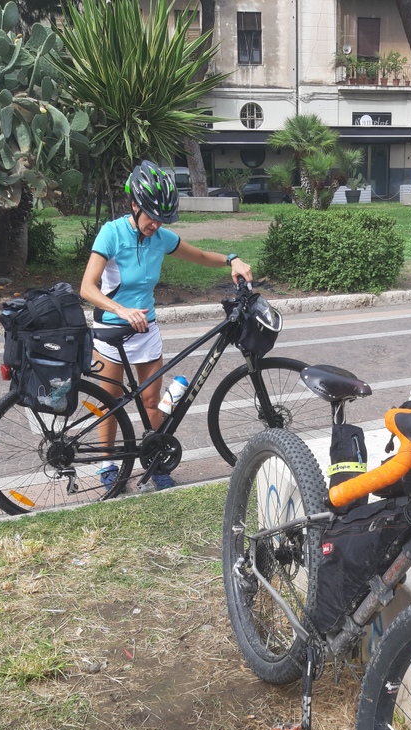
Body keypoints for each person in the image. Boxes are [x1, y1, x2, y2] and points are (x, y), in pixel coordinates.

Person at [80, 159, 253, 491]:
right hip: (110, 333)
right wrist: (121, 309)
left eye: (162, 220)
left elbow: (200, 256)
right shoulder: (111, 233)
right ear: (133, 205)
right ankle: (107, 467)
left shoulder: (160, 237)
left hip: (146, 332)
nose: (156, 225)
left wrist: (232, 259)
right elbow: (87, 288)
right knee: (110, 405)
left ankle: (155, 462)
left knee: (150, 402)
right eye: (151, 217)